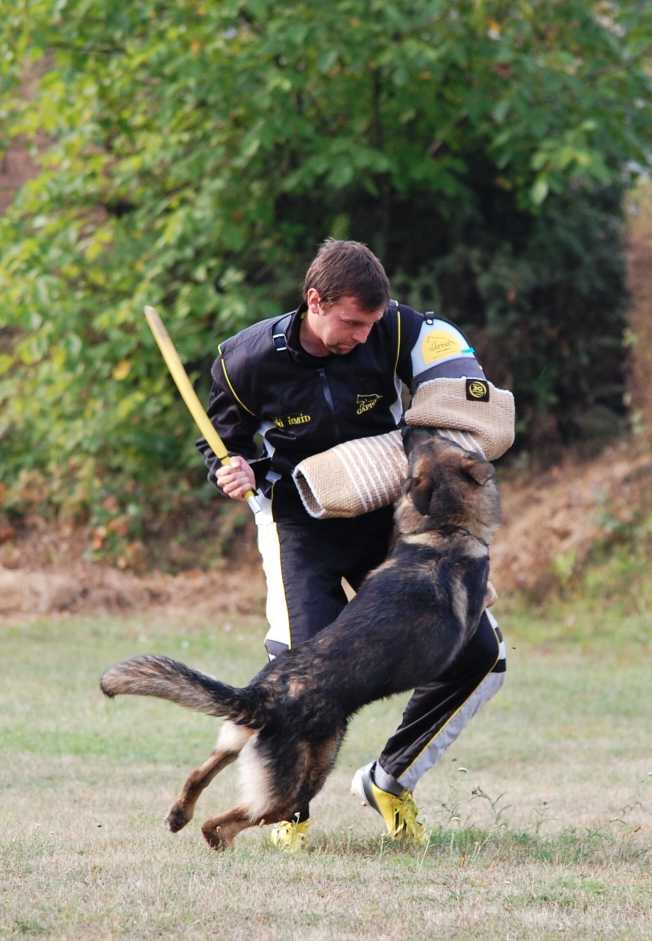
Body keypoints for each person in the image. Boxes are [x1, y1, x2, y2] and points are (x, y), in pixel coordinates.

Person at [197, 238, 511, 845]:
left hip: (392, 525)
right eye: (352, 323)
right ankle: (288, 812)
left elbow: (460, 377)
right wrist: (227, 469)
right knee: (299, 662)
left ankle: (389, 780)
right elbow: (222, 442)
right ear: (315, 301)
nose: (365, 336)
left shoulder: (399, 332)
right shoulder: (244, 361)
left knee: (480, 657)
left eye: (374, 322)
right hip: (298, 524)